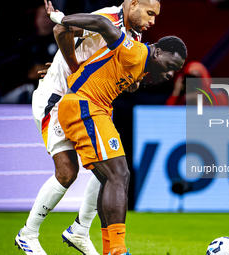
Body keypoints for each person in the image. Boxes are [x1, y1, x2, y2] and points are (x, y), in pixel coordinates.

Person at [15, 1, 160, 255]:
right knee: (67, 172)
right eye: (150, 13)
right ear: (133, 3)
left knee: (109, 166)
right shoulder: (106, 19)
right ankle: (28, 234)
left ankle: (80, 230)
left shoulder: (134, 35)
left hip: (91, 103)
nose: (153, 21)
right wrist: (73, 70)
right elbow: (61, 31)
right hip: (59, 97)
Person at [45, 2, 186, 255]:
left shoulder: (140, 64)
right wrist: (60, 17)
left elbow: (115, 70)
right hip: (84, 105)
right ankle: (117, 250)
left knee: (111, 178)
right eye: (171, 66)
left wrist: (132, 83)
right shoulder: (137, 52)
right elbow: (102, 24)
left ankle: (108, 246)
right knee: (119, 175)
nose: (171, 74)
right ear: (159, 52)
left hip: (93, 108)